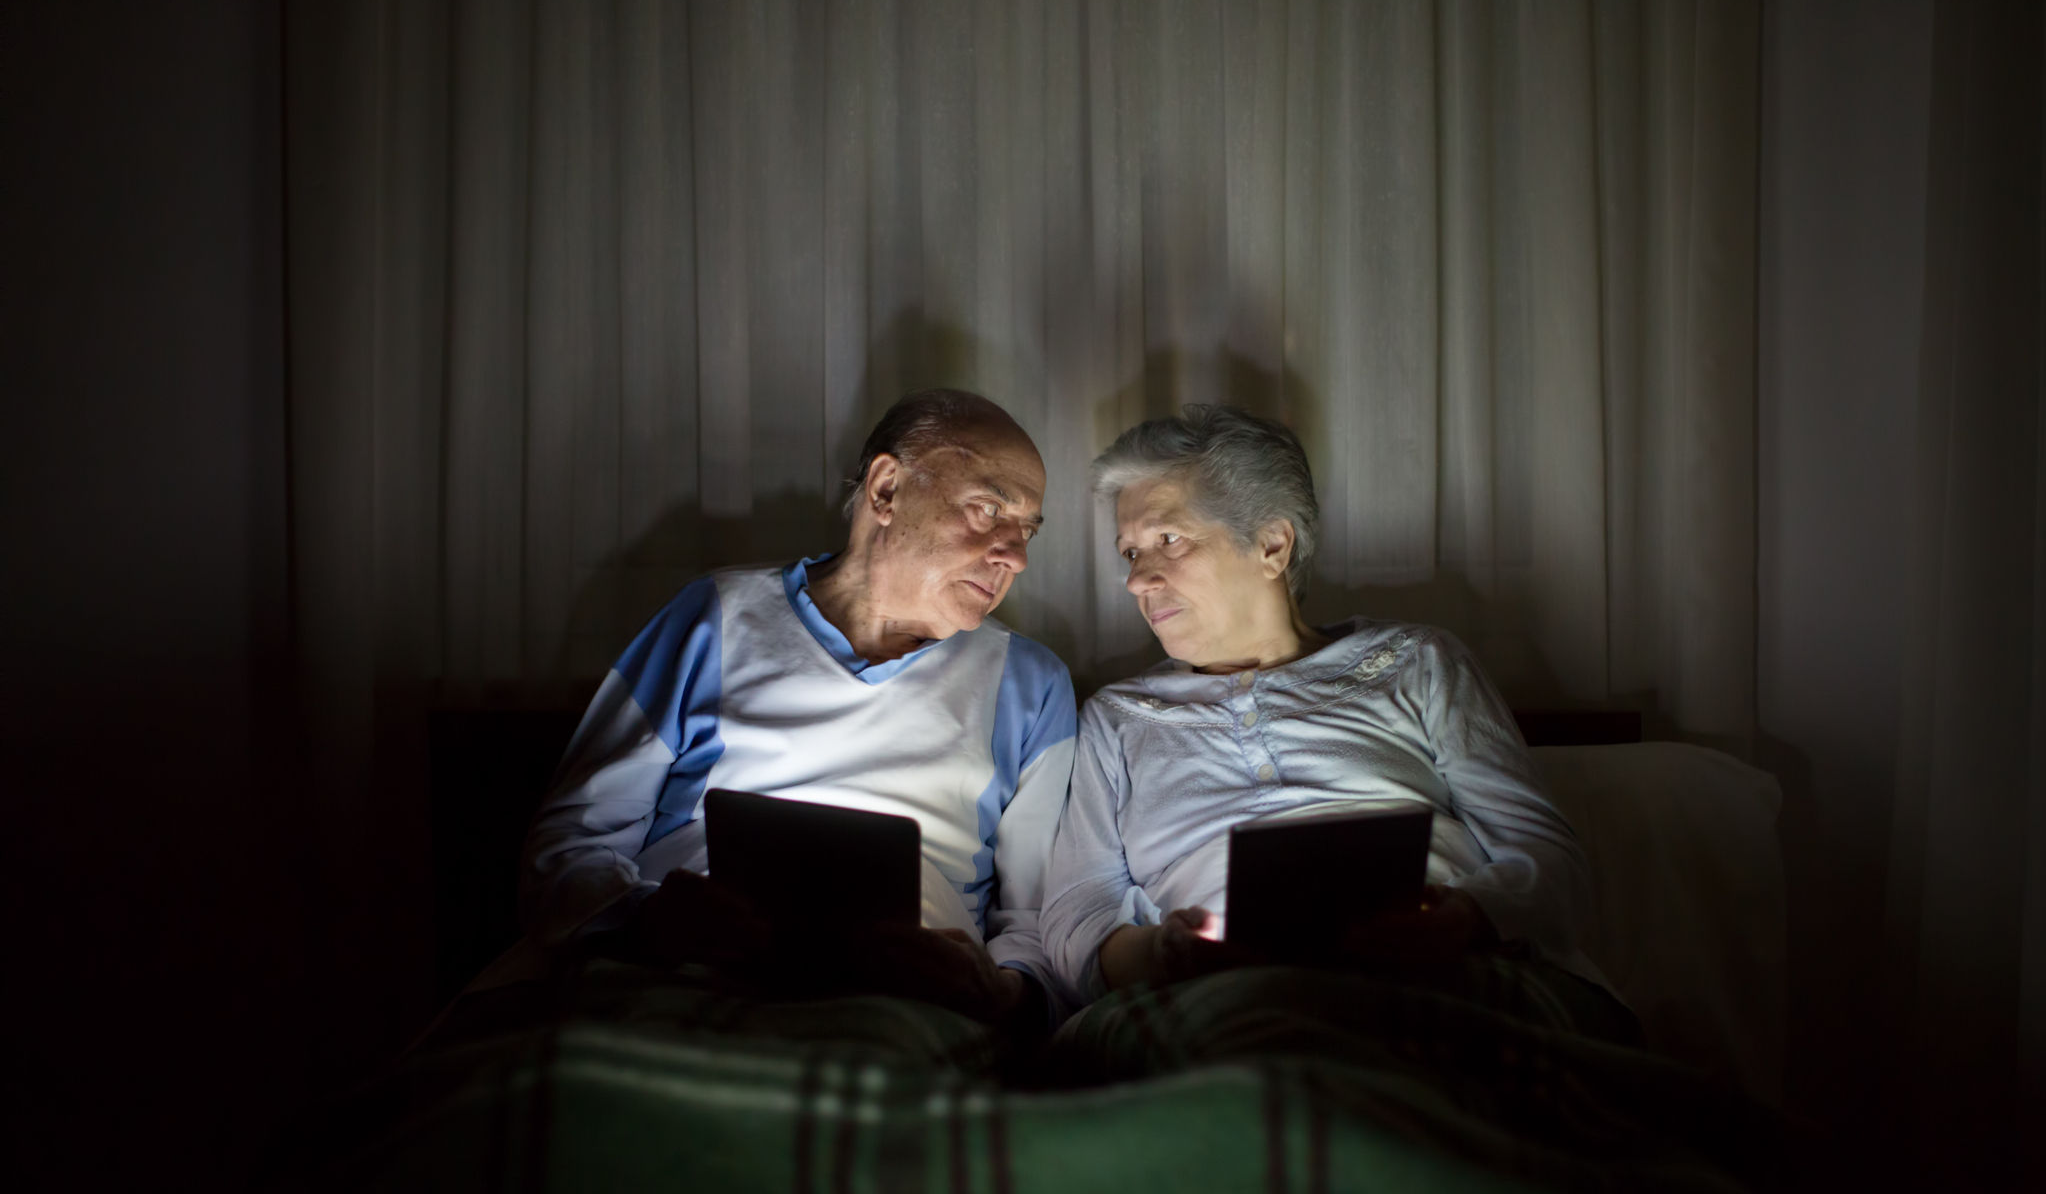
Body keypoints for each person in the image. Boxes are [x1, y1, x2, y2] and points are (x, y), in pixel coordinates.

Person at [474, 388, 1075, 1029]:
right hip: (678, 976)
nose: (1016, 556)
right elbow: (567, 848)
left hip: (896, 1009)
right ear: (886, 489)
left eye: (1027, 531)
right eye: (988, 510)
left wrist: (999, 990)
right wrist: (644, 917)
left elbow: (1039, 923)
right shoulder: (714, 617)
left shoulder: (1030, 685)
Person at [1039, 404, 1617, 1017]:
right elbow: (1076, 915)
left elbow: (1550, 861)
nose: (1137, 581)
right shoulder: (1117, 719)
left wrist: (1467, 917)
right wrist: (1159, 953)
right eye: (1130, 553)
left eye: (1168, 540)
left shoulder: (1417, 663)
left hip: (1446, 979)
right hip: (1220, 1002)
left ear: (1272, 544)